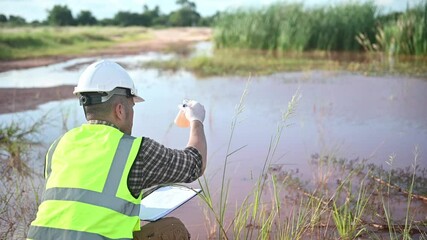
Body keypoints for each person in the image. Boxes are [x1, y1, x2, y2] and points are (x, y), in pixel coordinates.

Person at [27, 59, 207, 240]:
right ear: (120, 110)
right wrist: (196, 120)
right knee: (171, 230)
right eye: (132, 106)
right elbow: (195, 164)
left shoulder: (58, 145)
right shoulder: (136, 150)